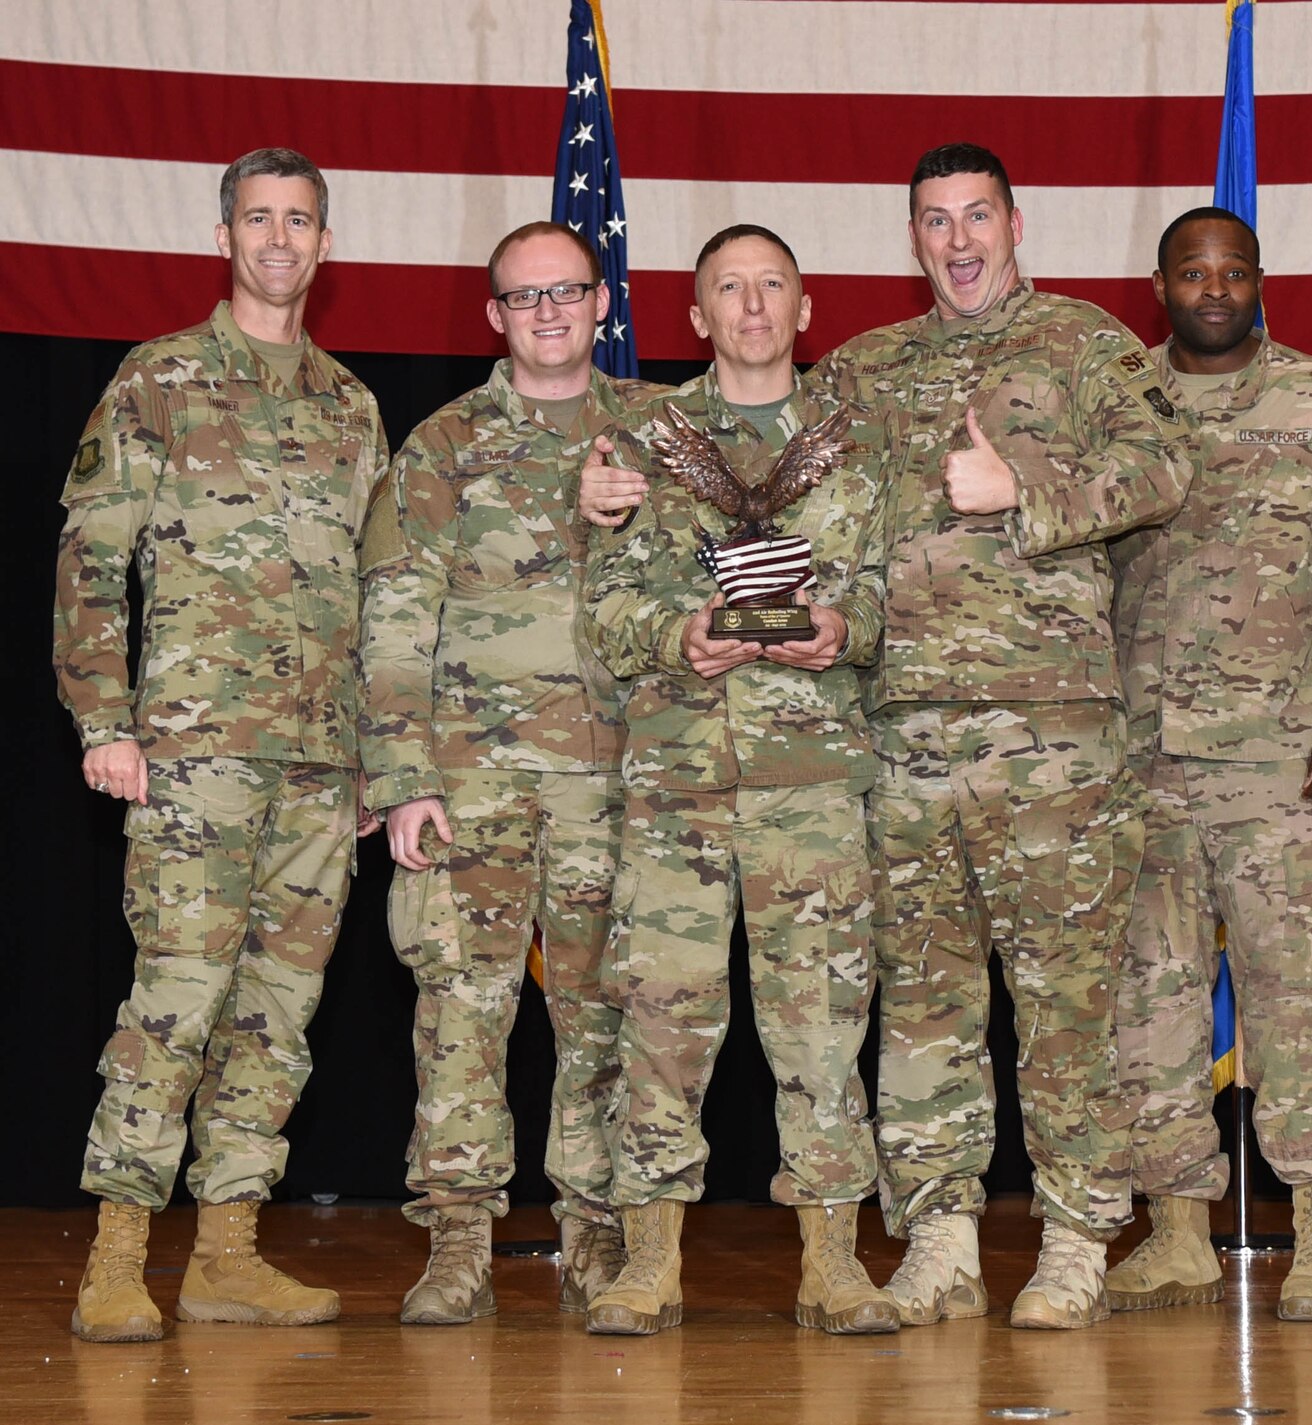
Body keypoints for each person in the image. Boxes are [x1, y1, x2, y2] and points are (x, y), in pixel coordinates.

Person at [584, 145, 1191, 1329]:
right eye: (933, 221)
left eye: (976, 217)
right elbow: (736, 454)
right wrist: (599, 484)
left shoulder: (1088, 346)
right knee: (922, 1008)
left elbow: (1167, 464)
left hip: (1049, 730)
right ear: (911, 237)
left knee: (1065, 1002)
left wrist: (1021, 483)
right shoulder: (863, 371)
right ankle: (940, 1236)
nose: (957, 240)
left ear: (1016, 223)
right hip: (897, 734)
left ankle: (1073, 1237)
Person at [54, 147, 385, 1342]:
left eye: (301, 220)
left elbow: (378, 593)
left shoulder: (351, 405)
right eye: (260, 218)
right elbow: (93, 560)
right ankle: (116, 1256)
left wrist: (372, 758)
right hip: (193, 750)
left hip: (318, 762)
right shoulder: (161, 378)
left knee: (278, 1014)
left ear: (325, 242)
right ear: (225, 234)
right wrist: (106, 720)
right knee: (177, 1003)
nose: (281, 240)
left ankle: (228, 1253)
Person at [1104, 208, 1312, 1321]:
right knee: (1146, 1010)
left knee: (1298, 1002)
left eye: (1230, 271)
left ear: (1259, 281)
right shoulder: (1116, 407)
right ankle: (1176, 1236)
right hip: (1138, 767)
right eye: (1189, 272)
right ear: (1156, 286)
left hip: (1281, 770)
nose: (1211, 288)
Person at [579, 226, 897, 1337]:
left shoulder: (864, 444)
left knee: (820, 1025)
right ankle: (648, 1261)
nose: (752, 306)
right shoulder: (640, 443)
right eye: (729, 288)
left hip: (811, 782)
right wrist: (683, 636)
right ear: (695, 316)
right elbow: (604, 612)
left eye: (772, 287)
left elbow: (916, 600)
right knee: (660, 1018)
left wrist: (846, 629)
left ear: (807, 310)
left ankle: (832, 1261)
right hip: (677, 783)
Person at [359, 221, 636, 1325]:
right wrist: (400, 777)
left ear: (602, 301)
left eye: (566, 293)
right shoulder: (444, 444)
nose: (550, 314)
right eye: (525, 299)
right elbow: (391, 623)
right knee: (459, 1010)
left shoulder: (661, 433)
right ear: (495, 317)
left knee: (604, 1014)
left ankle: (596, 1233)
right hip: (469, 782)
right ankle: (460, 1239)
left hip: (616, 781)